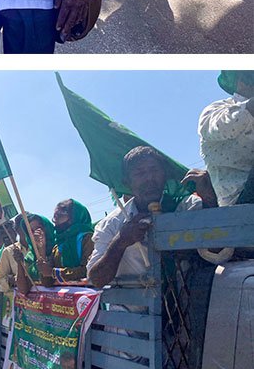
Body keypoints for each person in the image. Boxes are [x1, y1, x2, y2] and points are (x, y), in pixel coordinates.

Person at [87, 146, 204, 287]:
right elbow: (96, 279)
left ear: (165, 175)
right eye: (139, 173)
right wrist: (120, 242)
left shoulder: (187, 207)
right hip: (129, 308)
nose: (149, 178)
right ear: (127, 183)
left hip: (185, 306)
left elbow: (218, 254)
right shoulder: (112, 223)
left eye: (154, 170)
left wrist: (210, 200)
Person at [198, 71, 254, 207]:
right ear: (242, 81)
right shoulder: (216, 109)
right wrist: (249, 108)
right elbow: (218, 127)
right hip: (239, 200)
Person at [49, 199, 95, 283]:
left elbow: (88, 270)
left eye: (59, 215)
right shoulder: (57, 246)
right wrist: (40, 249)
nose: (55, 220)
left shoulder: (88, 239)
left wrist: (54, 273)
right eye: (54, 217)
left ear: (74, 217)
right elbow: (48, 281)